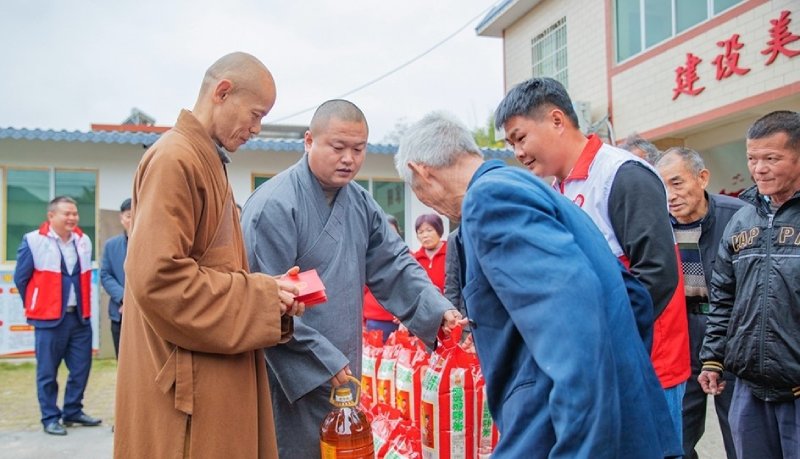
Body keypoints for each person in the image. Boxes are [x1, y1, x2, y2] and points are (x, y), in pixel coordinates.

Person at [395, 111, 682, 458]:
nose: (426, 201)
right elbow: (632, 298)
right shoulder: (530, 189)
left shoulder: (492, 200)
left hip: (566, 434)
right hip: (617, 425)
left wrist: (580, 445)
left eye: (417, 190)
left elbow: (573, 325)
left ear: (421, 171)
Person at [241, 99, 464, 459]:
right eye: (338, 147)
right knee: (290, 448)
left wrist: (439, 311)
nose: (349, 159)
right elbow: (262, 303)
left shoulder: (361, 204)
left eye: (358, 149)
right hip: (288, 368)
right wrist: (322, 358)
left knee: (342, 448)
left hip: (343, 363)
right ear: (309, 141)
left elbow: (394, 263)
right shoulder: (275, 205)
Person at [114, 52, 303, 459]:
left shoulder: (207, 160)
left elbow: (214, 270)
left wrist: (272, 292)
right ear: (222, 92)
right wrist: (260, 297)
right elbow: (159, 279)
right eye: (255, 114)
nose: (256, 128)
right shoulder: (174, 159)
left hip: (213, 365)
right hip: (187, 384)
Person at [494, 77, 690, 446]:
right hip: (597, 364)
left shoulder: (622, 175)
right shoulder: (556, 190)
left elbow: (657, 274)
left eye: (520, 138)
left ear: (556, 120)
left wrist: (598, 339)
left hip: (646, 364)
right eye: (511, 144)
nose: (518, 152)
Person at [699, 110, 800, 459]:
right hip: (749, 390)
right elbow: (724, 298)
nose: (759, 169)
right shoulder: (742, 220)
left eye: (772, 158)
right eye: (753, 159)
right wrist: (712, 358)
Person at [655, 147, 743, 459]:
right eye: (662, 186)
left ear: (702, 178)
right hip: (682, 336)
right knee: (677, 437)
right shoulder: (656, 227)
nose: (670, 196)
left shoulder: (738, 216)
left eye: (677, 183)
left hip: (732, 336)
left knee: (740, 432)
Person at [13, 196, 101, 436]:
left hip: (79, 318)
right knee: (47, 372)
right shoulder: (33, 241)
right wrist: (33, 303)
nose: (72, 218)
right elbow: (21, 278)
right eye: (67, 214)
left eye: (75, 213)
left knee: (81, 368)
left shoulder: (83, 240)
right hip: (48, 318)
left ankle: (73, 411)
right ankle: (50, 417)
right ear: (51, 216)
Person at [363, 214, 403, 342]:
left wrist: (406, 315)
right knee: (375, 360)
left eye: (393, 232)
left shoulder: (407, 258)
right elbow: (358, 292)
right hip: (374, 321)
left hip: (401, 321)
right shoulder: (367, 260)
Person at [100, 197, 131, 358]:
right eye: (128, 216)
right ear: (121, 218)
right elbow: (105, 274)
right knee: (123, 363)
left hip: (147, 316)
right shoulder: (111, 245)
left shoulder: (153, 244)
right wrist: (124, 298)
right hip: (119, 313)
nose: (132, 220)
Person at [412, 213, 447, 292]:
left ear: (439, 230)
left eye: (429, 230)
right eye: (420, 232)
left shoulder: (451, 254)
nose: (425, 235)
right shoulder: (415, 259)